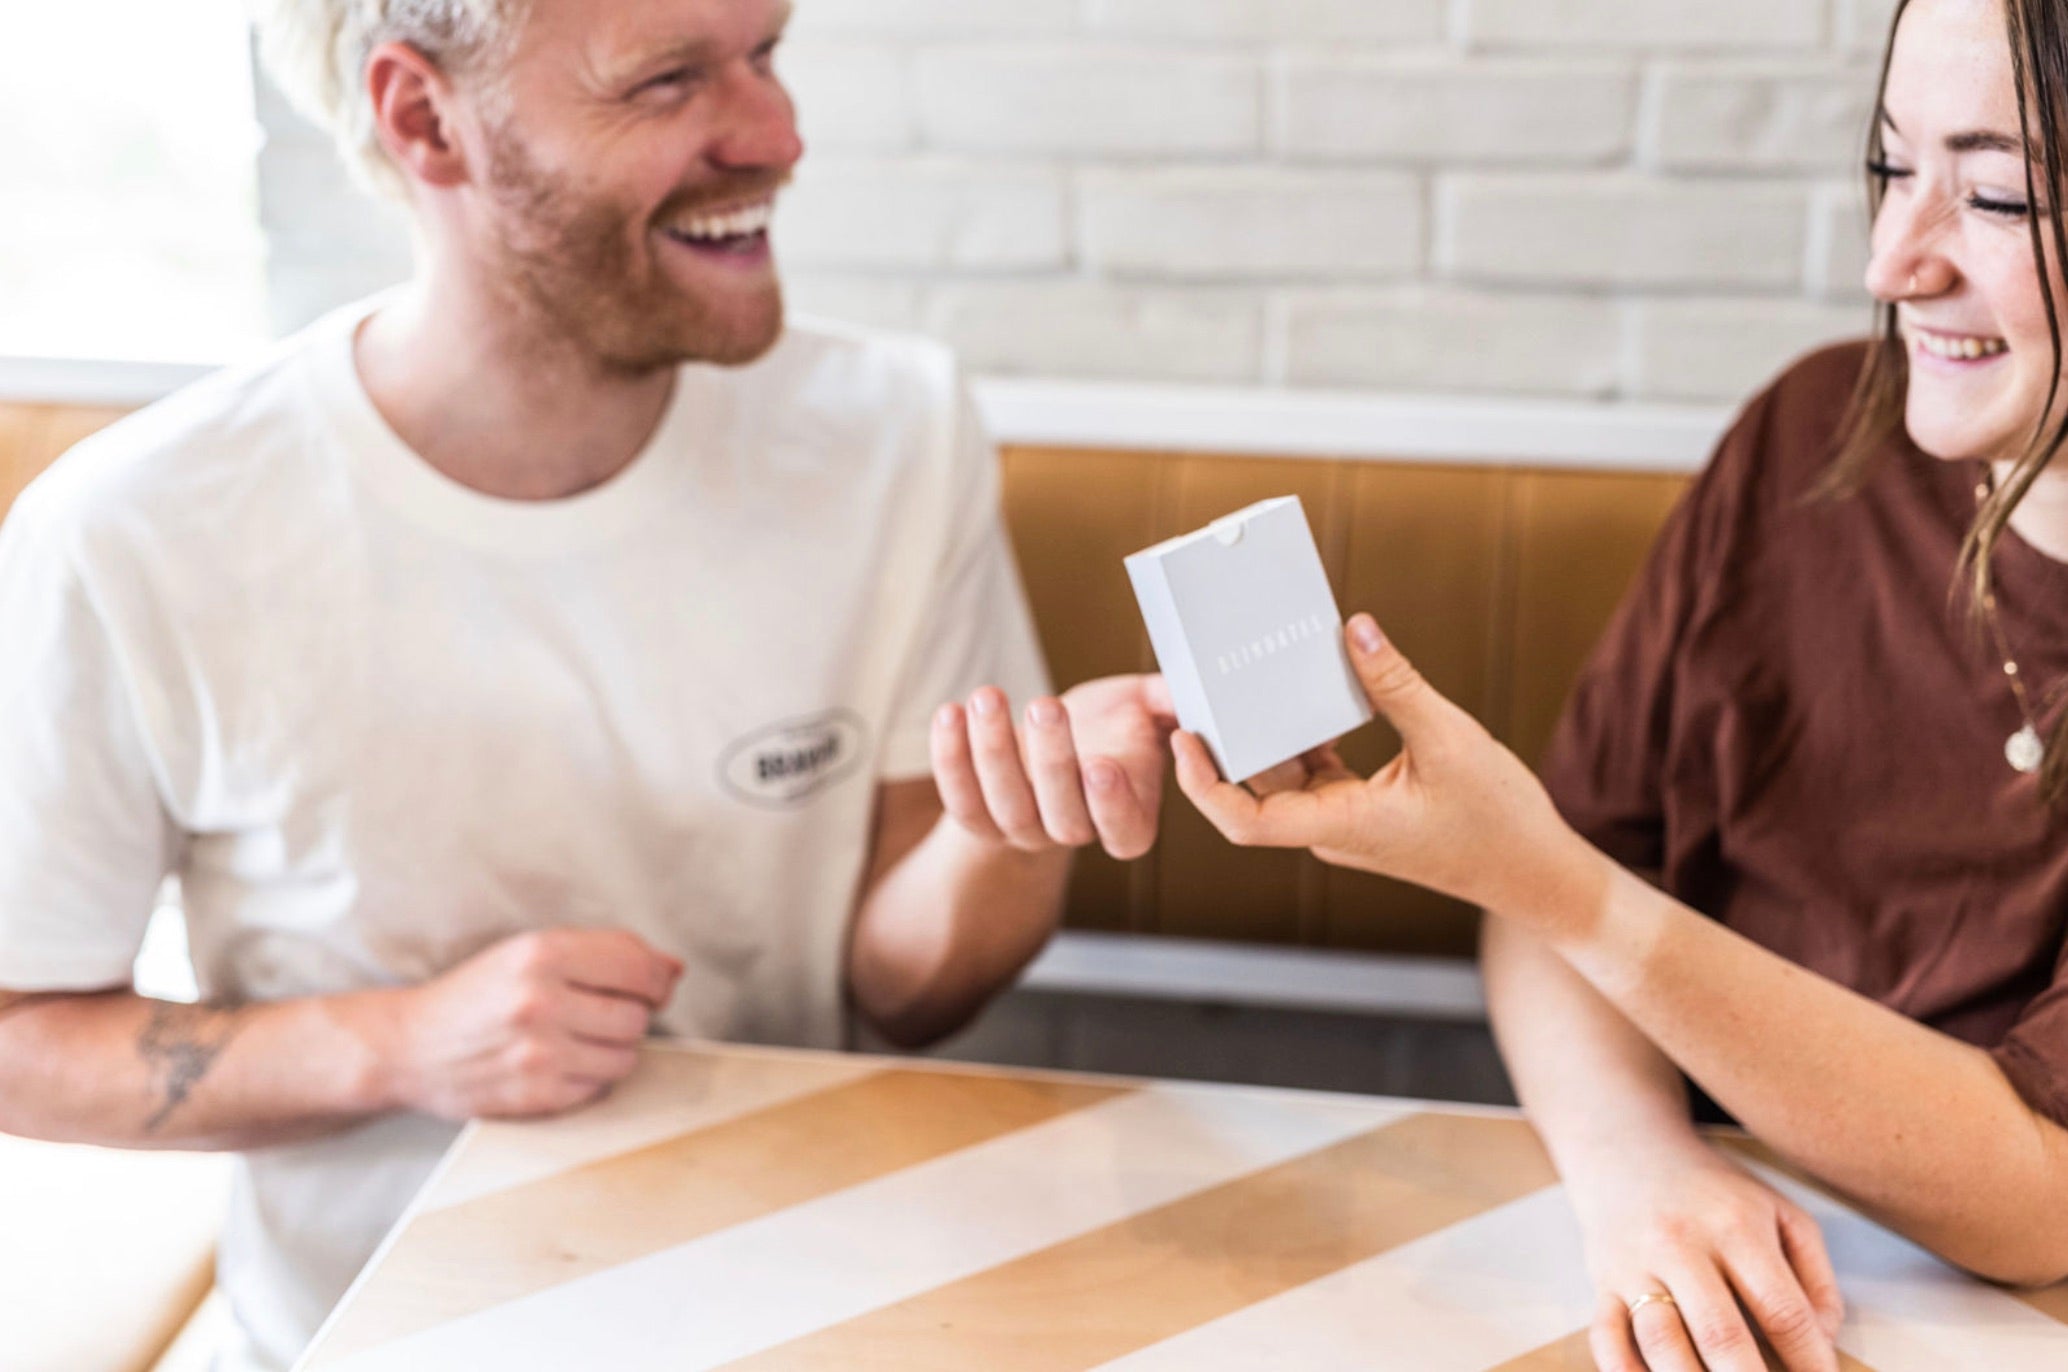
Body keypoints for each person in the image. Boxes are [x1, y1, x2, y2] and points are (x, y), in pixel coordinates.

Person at [0, 1, 1170, 1368]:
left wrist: (1010, 821)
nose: (779, 136)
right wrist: (401, 1046)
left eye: (767, 54)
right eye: (669, 81)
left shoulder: (894, 433)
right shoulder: (139, 528)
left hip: (824, 1311)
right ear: (425, 118)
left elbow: (902, 991)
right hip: (367, 1338)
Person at [1177, 2, 2068, 1370]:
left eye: (2000, 195)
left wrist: (1546, 880)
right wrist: (1638, 1168)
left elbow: (2042, 1195)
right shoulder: (1814, 437)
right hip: (1699, 1270)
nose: (1893, 261)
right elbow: (1580, 875)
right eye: (1891, 167)